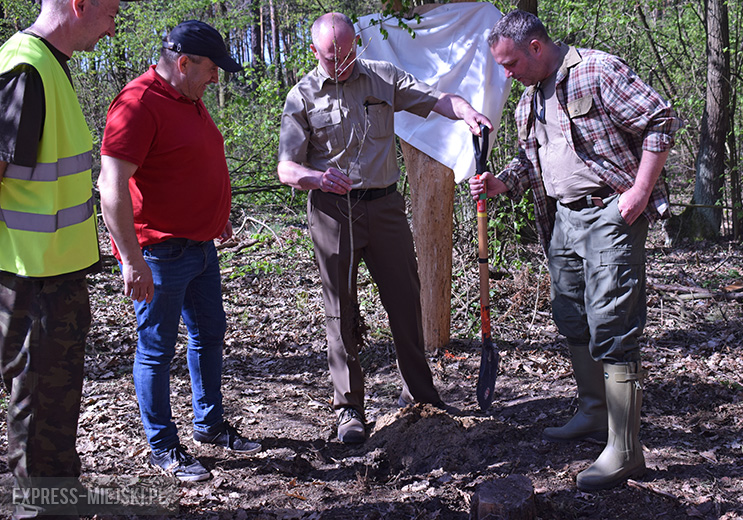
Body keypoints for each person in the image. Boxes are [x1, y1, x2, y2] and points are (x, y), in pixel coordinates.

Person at [470, 10, 682, 491]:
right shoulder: (528, 101)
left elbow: (659, 119)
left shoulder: (597, 70)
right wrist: (501, 182)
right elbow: (532, 160)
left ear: (536, 47)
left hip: (612, 211)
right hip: (563, 219)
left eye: (510, 64)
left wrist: (640, 192)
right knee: (571, 316)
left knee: (612, 323)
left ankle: (626, 451)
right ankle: (592, 413)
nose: (507, 74)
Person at [278, 12, 493, 444]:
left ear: (356, 42)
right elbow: (286, 167)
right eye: (330, 57)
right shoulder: (300, 97)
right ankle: (349, 409)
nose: (341, 63)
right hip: (332, 212)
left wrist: (466, 110)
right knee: (341, 310)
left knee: (405, 299)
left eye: (347, 52)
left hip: (386, 206)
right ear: (314, 52)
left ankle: (420, 394)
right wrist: (316, 178)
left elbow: (435, 100)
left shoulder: (382, 77)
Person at [97, 20, 260, 483]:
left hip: (202, 248)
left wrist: (215, 213)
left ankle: (209, 427)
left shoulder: (190, 99)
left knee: (209, 336)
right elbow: (110, 188)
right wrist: (131, 261)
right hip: (160, 254)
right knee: (156, 351)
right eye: (211, 69)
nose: (216, 79)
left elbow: (189, 166)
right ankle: (163, 447)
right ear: (183, 62)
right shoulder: (138, 103)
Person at [0, 0, 122, 517]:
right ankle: (39, 510)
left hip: (56, 273)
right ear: (79, 5)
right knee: (37, 399)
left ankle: (59, 497)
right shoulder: (26, 68)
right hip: (31, 277)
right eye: (111, 9)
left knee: (54, 399)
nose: (115, 21)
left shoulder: (50, 65)